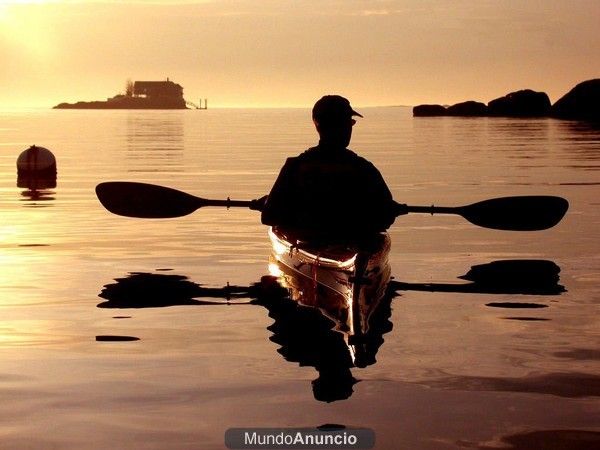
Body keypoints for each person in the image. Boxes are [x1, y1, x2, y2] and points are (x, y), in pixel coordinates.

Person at [261, 95, 402, 239]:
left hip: (306, 241)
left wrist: (270, 203)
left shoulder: (294, 166)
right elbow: (385, 219)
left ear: (316, 125)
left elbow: (269, 217)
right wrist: (391, 209)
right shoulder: (363, 169)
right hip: (350, 243)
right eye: (349, 122)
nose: (349, 128)